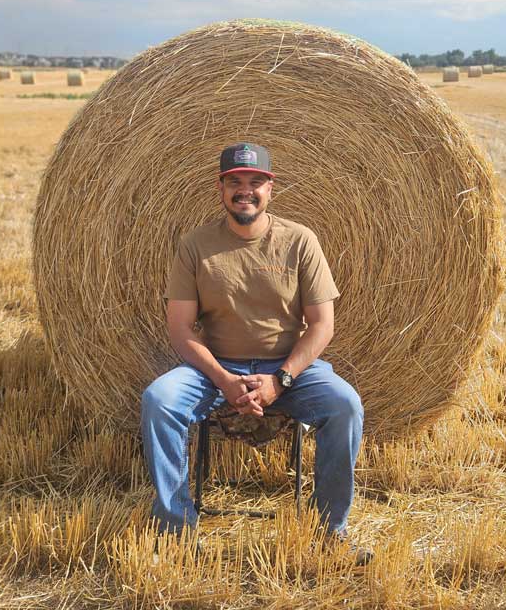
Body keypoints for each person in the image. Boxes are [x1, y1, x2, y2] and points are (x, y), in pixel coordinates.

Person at [141, 142, 370, 563]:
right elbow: (179, 328)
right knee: (160, 400)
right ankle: (175, 529)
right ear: (221, 188)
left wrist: (281, 380)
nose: (245, 191)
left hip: (289, 368)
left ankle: (330, 532)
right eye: (235, 183)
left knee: (346, 406)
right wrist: (224, 380)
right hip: (215, 367)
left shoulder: (300, 241)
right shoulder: (196, 245)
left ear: (270, 188)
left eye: (255, 182)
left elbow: (322, 325)